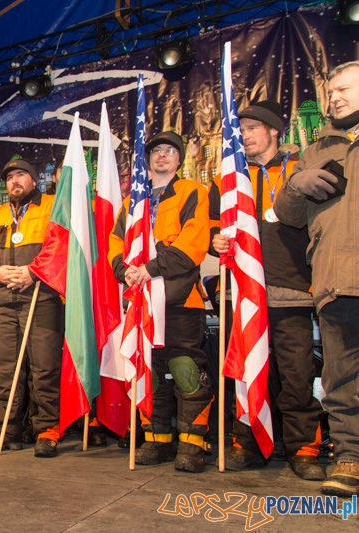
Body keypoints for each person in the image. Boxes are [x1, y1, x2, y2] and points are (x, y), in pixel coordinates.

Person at [209, 101, 324, 480]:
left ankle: (303, 446)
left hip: (291, 287)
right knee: (246, 370)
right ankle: (250, 440)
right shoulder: (227, 179)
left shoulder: (299, 169)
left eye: (253, 128)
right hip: (242, 291)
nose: (244, 135)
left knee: (296, 371)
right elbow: (214, 229)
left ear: (274, 131)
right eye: (240, 129)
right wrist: (216, 242)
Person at [274, 61, 359, 497]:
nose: (334, 98)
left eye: (344, 88)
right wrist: (294, 185)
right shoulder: (317, 149)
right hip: (335, 277)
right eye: (330, 93)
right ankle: (350, 458)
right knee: (341, 377)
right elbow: (289, 216)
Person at [109, 131, 213, 472]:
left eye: (169, 151)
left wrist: (150, 269)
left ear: (179, 159)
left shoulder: (193, 192)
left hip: (181, 300)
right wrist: (126, 271)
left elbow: (193, 244)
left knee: (185, 370)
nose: (162, 156)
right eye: (156, 151)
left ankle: (192, 443)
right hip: (142, 302)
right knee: (150, 372)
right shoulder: (131, 203)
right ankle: (157, 439)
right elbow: (115, 244)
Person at [0, 159, 63, 458]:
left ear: (35, 181)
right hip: (3, 299)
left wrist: (33, 272)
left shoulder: (51, 205)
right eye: (10, 177)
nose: (14, 181)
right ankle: (7, 429)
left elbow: (60, 244)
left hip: (42, 298)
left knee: (44, 368)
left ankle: (47, 431)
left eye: (21, 175)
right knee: (4, 369)